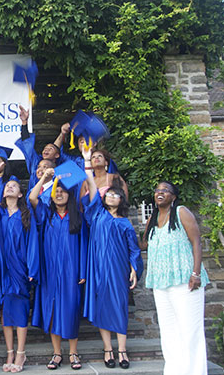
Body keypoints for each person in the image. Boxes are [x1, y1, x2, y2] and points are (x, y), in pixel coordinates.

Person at [140, 181, 210, 375]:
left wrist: (195, 273)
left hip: (185, 280)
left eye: (165, 191)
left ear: (173, 196)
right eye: (157, 190)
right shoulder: (152, 219)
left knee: (190, 331)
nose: (160, 193)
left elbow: (196, 242)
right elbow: (143, 244)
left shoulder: (181, 213)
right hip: (161, 283)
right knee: (169, 332)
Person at [81, 147, 141, 370]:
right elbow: (93, 191)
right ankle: (108, 349)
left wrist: (134, 268)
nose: (112, 196)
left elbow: (134, 249)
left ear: (121, 199)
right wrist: (87, 164)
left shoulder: (125, 223)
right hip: (97, 267)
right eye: (109, 194)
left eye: (116, 194)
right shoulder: (96, 214)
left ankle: (122, 350)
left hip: (117, 269)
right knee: (102, 306)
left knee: (119, 305)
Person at [0, 155, 39, 374]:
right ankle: (9, 351)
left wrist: (32, 269)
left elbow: (33, 242)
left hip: (20, 268)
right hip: (0, 269)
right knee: (6, 311)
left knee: (21, 310)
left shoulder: (26, 214)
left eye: (14, 186)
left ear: (20, 193)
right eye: (7, 186)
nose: (10, 188)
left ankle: (21, 352)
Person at [29, 168, 86, 371]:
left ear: (69, 195)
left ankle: (73, 353)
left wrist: (82, 271)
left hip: (72, 272)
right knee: (52, 310)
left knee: (70, 311)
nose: (59, 193)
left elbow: (84, 246)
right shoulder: (46, 215)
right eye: (56, 191)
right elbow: (33, 197)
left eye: (63, 191)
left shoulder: (77, 218)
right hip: (50, 271)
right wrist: (46, 178)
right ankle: (57, 353)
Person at [14, 105, 62, 191]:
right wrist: (24, 123)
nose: (46, 150)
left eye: (50, 149)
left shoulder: (61, 168)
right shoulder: (35, 162)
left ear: (57, 155)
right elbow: (27, 145)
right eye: (45, 148)